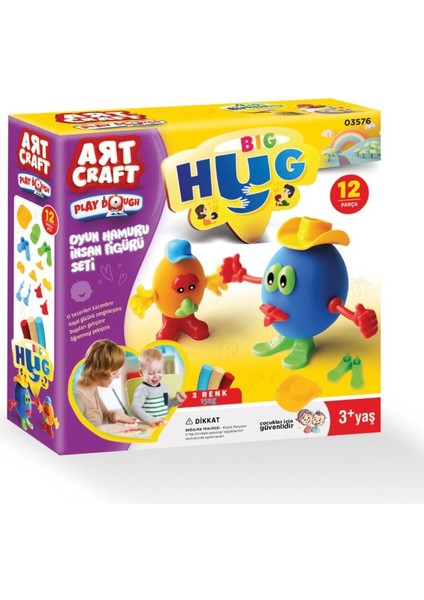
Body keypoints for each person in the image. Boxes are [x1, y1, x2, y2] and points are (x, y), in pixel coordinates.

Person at [75, 339, 136, 428]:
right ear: (96, 372)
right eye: (114, 373)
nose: (117, 376)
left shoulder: (93, 389)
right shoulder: (77, 398)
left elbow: (103, 415)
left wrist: (113, 415)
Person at [132, 348, 186, 425]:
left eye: (160, 371)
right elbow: (135, 409)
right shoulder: (142, 389)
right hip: (149, 426)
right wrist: (151, 420)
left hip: (163, 424)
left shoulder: (164, 387)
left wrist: (177, 400)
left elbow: (166, 404)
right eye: (151, 373)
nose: (156, 376)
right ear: (141, 372)